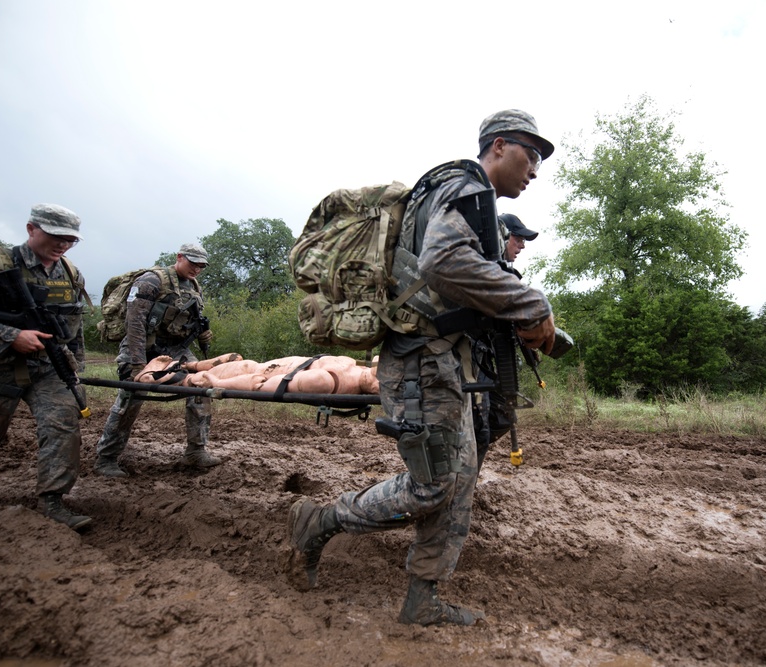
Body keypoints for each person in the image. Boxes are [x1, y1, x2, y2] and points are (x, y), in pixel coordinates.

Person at [285, 109, 557, 626]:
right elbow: (443, 262)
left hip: (447, 360)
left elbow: (459, 281)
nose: (536, 170)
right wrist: (531, 303)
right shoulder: (462, 186)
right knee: (433, 485)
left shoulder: (475, 202)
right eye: (532, 154)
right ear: (499, 145)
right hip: (420, 359)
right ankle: (318, 522)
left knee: (458, 480)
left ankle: (423, 598)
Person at [0, 204, 92, 530]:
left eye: (70, 240)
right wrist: (10, 335)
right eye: (56, 237)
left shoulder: (69, 273)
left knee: (63, 426)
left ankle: (53, 500)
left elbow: (73, 326)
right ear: (31, 229)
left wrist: (74, 367)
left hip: (47, 368)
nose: (63, 245)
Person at [92, 243, 221, 477]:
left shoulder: (193, 286)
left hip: (176, 348)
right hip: (142, 346)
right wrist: (138, 365)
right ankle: (107, 458)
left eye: (201, 266)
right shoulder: (151, 281)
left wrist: (201, 332)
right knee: (131, 396)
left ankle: (196, 451)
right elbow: (135, 323)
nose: (197, 269)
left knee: (201, 386)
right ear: (179, 257)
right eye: (193, 263)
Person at [471, 212, 541, 464]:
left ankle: (462, 462)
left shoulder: (506, 274)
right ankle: (459, 491)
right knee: (478, 429)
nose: (522, 245)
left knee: (501, 418)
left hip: (492, 361)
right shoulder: (481, 269)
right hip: (471, 360)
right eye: (518, 238)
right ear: (501, 237)